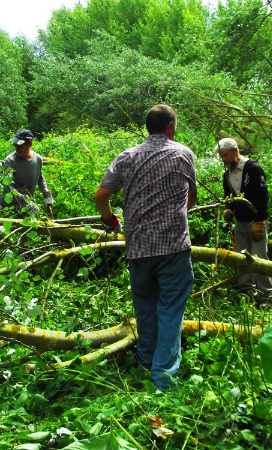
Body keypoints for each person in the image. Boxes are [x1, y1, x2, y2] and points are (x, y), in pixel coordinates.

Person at [94, 104, 197, 391]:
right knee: (171, 310)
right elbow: (191, 198)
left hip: (138, 247)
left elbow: (101, 195)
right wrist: (178, 216)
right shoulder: (183, 154)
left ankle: (145, 361)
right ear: (171, 127)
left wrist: (109, 219)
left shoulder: (127, 156)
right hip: (173, 246)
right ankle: (163, 378)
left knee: (146, 308)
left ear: (147, 127)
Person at [216, 137, 272, 306]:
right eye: (222, 156)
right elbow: (229, 197)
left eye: (226, 155)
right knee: (242, 257)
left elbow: (263, 196)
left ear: (235, 151)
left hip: (256, 220)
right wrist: (229, 209)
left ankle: (266, 296)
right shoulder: (227, 175)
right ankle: (246, 292)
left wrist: (259, 221)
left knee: (259, 257)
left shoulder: (253, 168)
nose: (224, 159)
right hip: (240, 222)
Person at [0, 129, 53, 216]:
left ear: (30, 144)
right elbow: (7, 186)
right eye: (15, 145)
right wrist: (25, 201)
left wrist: (46, 194)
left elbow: (40, 177)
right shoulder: (10, 161)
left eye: (20, 146)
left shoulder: (37, 159)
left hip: (26, 208)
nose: (17, 148)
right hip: (9, 207)